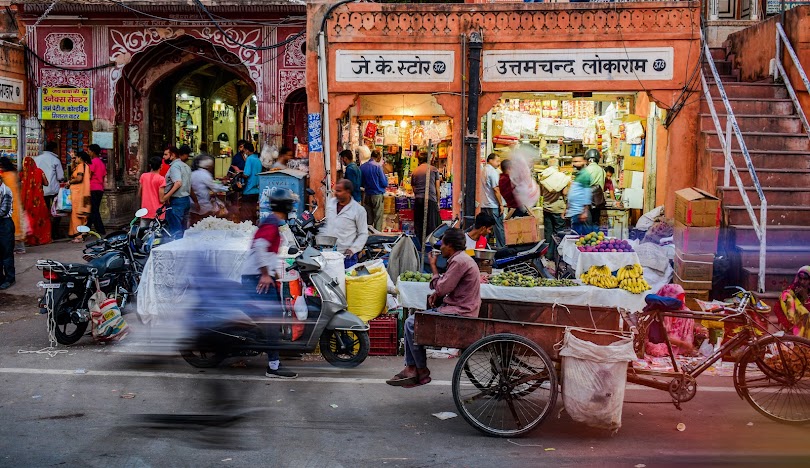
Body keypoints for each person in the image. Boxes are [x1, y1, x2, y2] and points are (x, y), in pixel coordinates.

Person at [387, 228, 480, 388]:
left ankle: (418, 369)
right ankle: (415, 368)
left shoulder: (459, 261)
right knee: (415, 322)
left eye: (442, 244)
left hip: (460, 312)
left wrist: (434, 268)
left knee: (412, 323)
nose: (440, 248)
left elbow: (443, 287)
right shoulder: (461, 260)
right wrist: (437, 292)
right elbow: (445, 287)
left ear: (450, 245)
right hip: (459, 308)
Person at [241, 187, 298, 379]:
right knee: (272, 320)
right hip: (255, 277)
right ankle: (273, 366)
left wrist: (272, 273)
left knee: (271, 319)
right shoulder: (272, 223)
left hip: (258, 276)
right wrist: (266, 274)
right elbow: (259, 246)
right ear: (286, 206)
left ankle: (273, 356)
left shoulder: (272, 222)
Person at [645, 284, 703, 357]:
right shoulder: (659, 312)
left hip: (679, 351)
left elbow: (688, 330)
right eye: (679, 298)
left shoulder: (685, 312)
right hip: (661, 347)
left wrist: (697, 329)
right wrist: (683, 344)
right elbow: (664, 337)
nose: (682, 301)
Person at [323, 179, 368, 268]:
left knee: (346, 280)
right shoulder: (331, 203)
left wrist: (353, 249)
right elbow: (328, 224)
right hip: (329, 253)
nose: (336, 193)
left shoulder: (358, 210)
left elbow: (363, 233)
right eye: (336, 190)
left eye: (339, 191)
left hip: (347, 256)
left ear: (348, 192)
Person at [538, 159, 569, 261]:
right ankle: (557, 256)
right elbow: (565, 193)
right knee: (559, 233)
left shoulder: (543, 176)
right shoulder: (561, 178)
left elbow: (541, 193)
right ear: (557, 166)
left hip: (547, 208)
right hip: (558, 209)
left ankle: (548, 255)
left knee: (548, 233)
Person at [34, 141, 65, 239]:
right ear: (54, 149)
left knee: (44, 212)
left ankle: (44, 232)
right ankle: (54, 232)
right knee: (57, 212)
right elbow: (60, 176)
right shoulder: (55, 160)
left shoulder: (36, 159)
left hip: (41, 189)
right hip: (54, 189)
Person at [160, 145, 192, 239]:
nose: (163, 157)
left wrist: (166, 197)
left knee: (175, 232)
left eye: (166, 154)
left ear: (173, 155)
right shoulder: (186, 166)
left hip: (177, 201)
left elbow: (178, 183)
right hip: (185, 200)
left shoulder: (175, 167)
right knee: (183, 229)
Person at [411, 152, 441, 246]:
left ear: (419, 160)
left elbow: (413, 187)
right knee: (431, 225)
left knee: (419, 224)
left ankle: (420, 246)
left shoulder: (415, 171)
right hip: (430, 199)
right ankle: (429, 246)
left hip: (418, 199)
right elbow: (437, 188)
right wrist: (438, 202)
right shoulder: (433, 170)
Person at [20, 156, 51, 246]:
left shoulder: (24, 174)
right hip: (39, 202)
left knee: (30, 221)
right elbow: (46, 183)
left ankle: (31, 241)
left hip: (28, 202)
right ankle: (42, 239)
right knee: (42, 220)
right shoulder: (39, 171)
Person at [190, 157, 228, 225]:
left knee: (194, 222)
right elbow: (214, 188)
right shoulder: (205, 175)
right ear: (209, 166)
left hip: (192, 202)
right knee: (218, 212)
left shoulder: (193, 173)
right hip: (203, 203)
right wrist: (223, 185)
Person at [777, 266, 810, 338]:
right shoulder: (792, 290)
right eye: (800, 279)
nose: (802, 282)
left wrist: (805, 298)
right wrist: (787, 325)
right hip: (791, 325)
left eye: (805, 279)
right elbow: (777, 308)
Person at [480, 153, 505, 248]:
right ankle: (501, 249)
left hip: (484, 204)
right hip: (493, 205)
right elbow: (496, 189)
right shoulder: (492, 172)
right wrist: (501, 204)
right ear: (490, 160)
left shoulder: (483, 170)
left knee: (485, 228)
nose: (498, 163)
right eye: (497, 161)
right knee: (499, 228)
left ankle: (483, 248)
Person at [566, 155, 594, 236]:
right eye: (574, 161)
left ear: (584, 162)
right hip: (575, 211)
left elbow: (587, 194)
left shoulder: (585, 175)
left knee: (582, 239)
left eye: (578, 161)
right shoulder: (579, 175)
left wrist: (584, 211)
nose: (575, 164)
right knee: (576, 237)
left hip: (580, 212)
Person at [68, 151, 92, 243]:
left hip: (78, 194)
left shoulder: (81, 166)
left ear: (80, 158)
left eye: (77, 157)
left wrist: (69, 182)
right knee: (82, 215)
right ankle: (83, 233)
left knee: (76, 215)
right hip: (84, 193)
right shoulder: (86, 166)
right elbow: (73, 169)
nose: (76, 159)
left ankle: (79, 236)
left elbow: (79, 178)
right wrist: (73, 159)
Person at [0, 157, 23, 252]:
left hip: (7, 202)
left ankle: (14, 247)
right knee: (16, 224)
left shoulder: (4, 175)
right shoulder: (14, 174)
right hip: (16, 202)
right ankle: (19, 247)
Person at [360, 150, 387, 231]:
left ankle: (368, 235)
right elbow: (384, 183)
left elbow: (361, 182)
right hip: (377, 194)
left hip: (367, 194)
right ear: (378, 157)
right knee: (378, 218)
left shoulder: (362, 167)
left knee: (369, 217)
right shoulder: (378, 167)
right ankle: (377, 236)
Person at [138, 156, 166, 228]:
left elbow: (139, 193)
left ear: (150, 165)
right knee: (155, 234)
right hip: (157, 212)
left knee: (143, 233)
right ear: (161, 166)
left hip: (145, 210)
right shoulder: (161, 179)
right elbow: (162, 199)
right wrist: (172, 191)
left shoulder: (143, 176)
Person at [86, 144, 107, 236]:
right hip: (99, 188)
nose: (88, 153)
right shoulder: (101, 163)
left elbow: (89, 175)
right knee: (93, 209)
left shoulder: (93, 162)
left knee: (94, 210)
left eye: (89, 151)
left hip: (93, 187)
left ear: (93, 152)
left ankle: (100, 229)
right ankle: (87, 228)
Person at [583, 149, 606, 228]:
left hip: (587, 201)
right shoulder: (602, 170)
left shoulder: (586, 170)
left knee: (587, 225)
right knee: (595, 224)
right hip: (598, 201)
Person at [240, 142, 263, 223]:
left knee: (246, 214)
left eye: (244, 151)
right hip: (256, 190)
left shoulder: (249, 159)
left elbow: (246, 174)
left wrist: (240, 174)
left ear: (246, 150)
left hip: (248, 190)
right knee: (253, 211)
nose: (244, 153)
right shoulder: (258, 160)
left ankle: (247, 229)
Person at [0, 172, 15, 289]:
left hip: (5, 224)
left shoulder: (6, 191)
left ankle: (10, 278)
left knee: (6, 253)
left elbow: (4, 211)